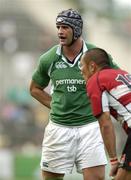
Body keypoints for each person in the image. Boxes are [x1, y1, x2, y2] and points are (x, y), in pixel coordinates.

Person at [30, 9, 119, 180]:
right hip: (58, 128)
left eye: (65, 27)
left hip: (90, 128)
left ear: (77, 30)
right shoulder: (48, 59)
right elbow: (34, 89)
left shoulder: (97, 55)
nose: (60, 32)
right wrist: (55, 104)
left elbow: (116, 79)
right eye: (58, 27)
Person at [80, 47, 131, 180]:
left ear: (92, 66)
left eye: (81, 65)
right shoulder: (123, 74)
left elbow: (105, 124)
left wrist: (113, 160)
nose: (80, 70)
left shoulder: (95, 80)